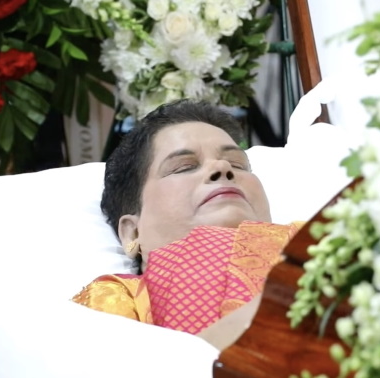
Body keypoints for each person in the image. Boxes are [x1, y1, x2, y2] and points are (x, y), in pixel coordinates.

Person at [72, 99, 302, 338]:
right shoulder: (112, 302)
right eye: (184, 167)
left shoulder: (320, 237)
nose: (222, 167)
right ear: (133, 232)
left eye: (238, 165)